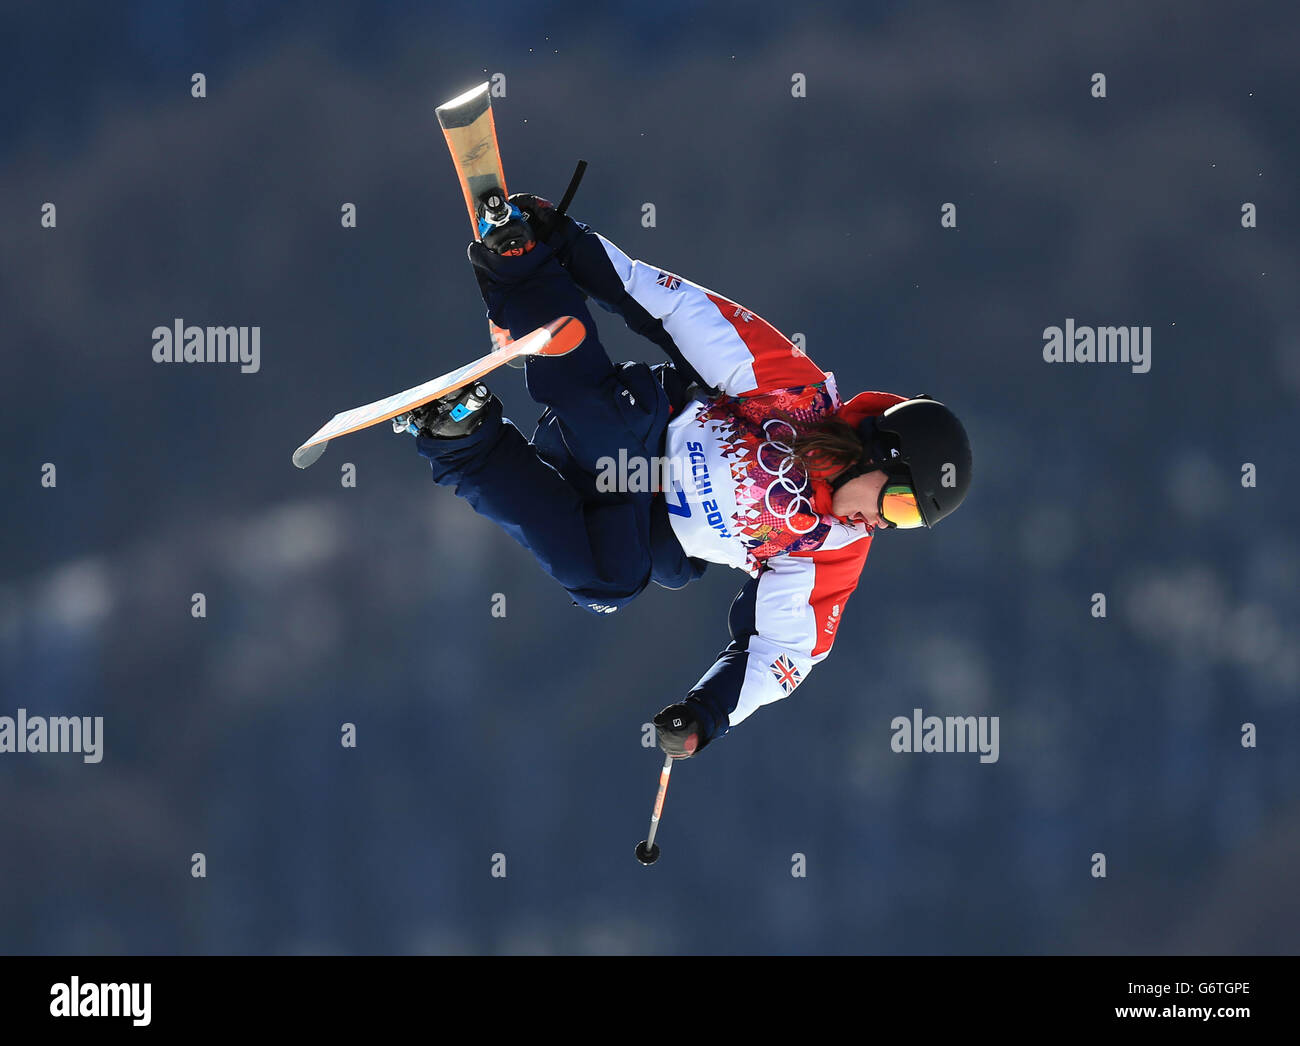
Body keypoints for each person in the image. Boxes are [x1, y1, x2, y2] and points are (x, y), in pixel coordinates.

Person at [396, 193, 972, 759]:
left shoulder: (831, 550)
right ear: (881, 452)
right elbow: (679, 311)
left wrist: (704, 713)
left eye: (902, 523)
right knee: (606, 436)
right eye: (895, 505)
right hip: (637, 433)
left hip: (637, 516)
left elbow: (782, 655)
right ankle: (521, 270)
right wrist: (567, 244)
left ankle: (462, 434)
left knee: (605, 582)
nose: (877, 522)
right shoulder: (794, 397)